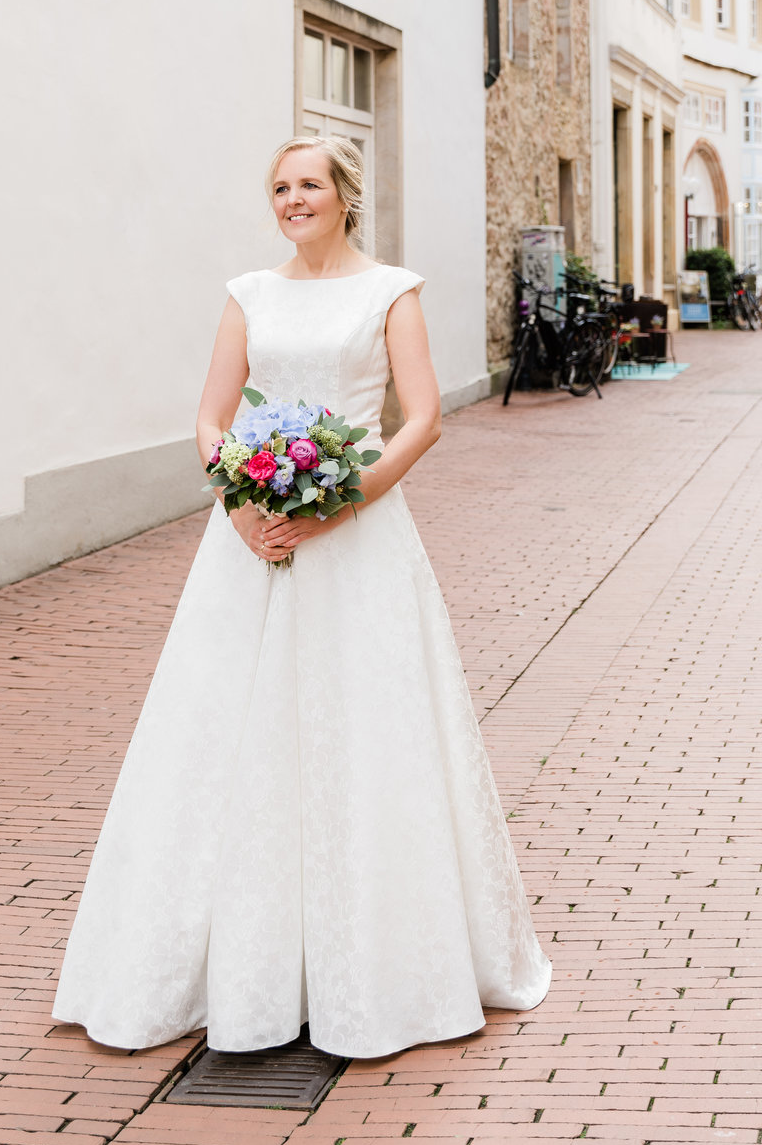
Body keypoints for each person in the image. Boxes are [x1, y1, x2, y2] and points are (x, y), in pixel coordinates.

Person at [51, 135, 551, 1058]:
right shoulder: (249, 293)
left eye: (309, 184)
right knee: (227, 735)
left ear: (344, 196)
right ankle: (231, 965)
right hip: (249, 542)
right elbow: (210, 417)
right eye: (279, 187)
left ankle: (375, 968)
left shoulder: (390, 292)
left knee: (362, 732)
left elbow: (424, 418)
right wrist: (242, 506)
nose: (292, 199)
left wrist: (336, 508)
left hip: (357, 542)